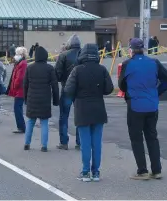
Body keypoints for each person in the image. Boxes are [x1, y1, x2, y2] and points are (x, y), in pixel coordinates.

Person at [118, 38, 167, 180]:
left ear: (131, 49)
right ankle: (157, 170)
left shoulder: (127, 64)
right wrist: (157, 92)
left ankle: (142, 171)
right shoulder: (154, 63)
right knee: (152, 137)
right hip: (152, 104)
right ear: (143, 49)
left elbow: (122, 85)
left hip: (135, 105)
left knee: (136, 138)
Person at [65, 43, 114, 182]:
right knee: (96, 142)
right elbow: (109, 89)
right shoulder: (102, 69)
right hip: (98, 108)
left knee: (85, 142)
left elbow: (68, 90)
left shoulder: (77, 70)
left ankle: (85, 172)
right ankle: (96, 172)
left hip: (82, 109)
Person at [23, 46, 59, 152]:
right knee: (44, 122)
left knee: (30, 122)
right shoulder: (49, 68)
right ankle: (44, 146)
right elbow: (55, 86)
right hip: (45, 99)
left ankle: (27, 143)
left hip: (32, 98)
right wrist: (56, 100)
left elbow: (25, 85)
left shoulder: (29, 68)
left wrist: (26, 98)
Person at [55, 34, 82, 150]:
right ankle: (79, 141)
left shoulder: (63, 55)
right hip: (80, 89)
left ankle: (64, 142)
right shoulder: (83, 54)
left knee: (64, 116)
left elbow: (58, 74)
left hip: (66, 88)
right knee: (80, 115)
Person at [7, 47, 28, 133]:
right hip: (19, 90)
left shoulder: (22, 64)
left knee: (17, 108)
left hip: (20, 90)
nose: (15, 56)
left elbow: (20, 78)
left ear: (22, 55)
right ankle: (21, 127)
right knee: (17, 108)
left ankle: (21, 127)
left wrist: (14, 86)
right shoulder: (19, 63)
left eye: (17, 54)